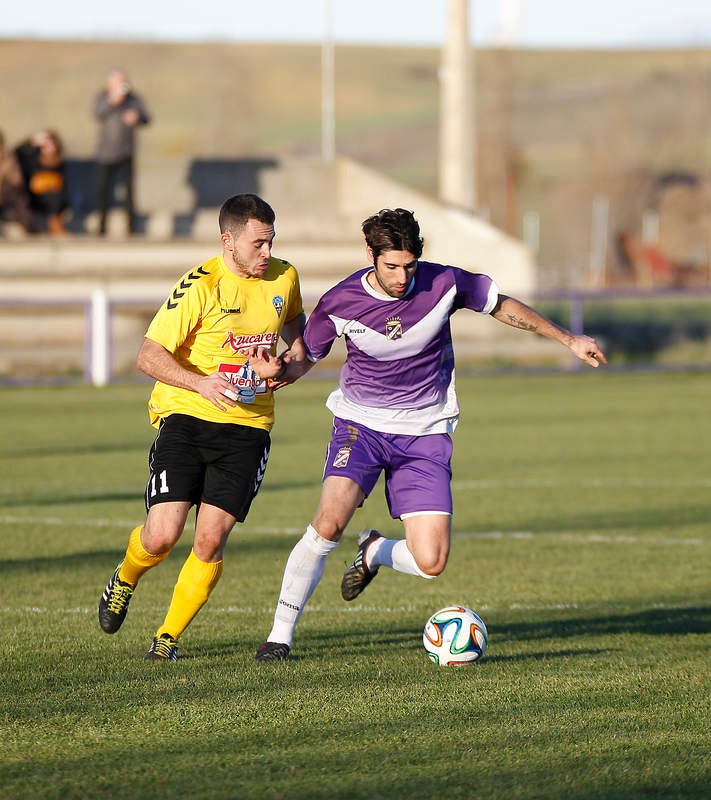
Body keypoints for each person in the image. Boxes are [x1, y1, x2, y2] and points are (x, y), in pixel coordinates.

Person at [250, 207, 607, 662]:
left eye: (409, 265)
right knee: (329, 521)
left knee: (430, 562)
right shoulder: (340, 302)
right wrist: (276, 370)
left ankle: (375, 551)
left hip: (425, 433)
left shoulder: (445, 283)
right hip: (361, 426)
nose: (401, 277)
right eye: (391, 266)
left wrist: (567, 339)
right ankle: (279, 637)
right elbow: (303, 359)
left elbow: (501, 305)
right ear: (370, 256)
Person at [98, 193, 306, 661]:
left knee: (211, 539)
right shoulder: (201, 285)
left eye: (270, 242)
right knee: (162, 535)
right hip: (187, 418)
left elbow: (298, 333)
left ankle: (167, 638)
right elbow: (148, 357)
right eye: (257, 244)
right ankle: (125, 577)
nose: (266, 253)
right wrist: (202, 384)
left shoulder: (284, 276)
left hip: (248, 429)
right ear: (227, 241)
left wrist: (288, 368)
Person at [93, 68, 150, 235]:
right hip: (105, 153)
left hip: (126, 152)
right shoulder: (103, 97)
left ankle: (131, 228)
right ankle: (101, 228)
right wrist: (113, 100)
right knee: (104, 191)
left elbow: (147, 118)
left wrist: (136, 117)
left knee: (129, 192)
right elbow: (97, 113)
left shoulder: (133, 99)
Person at [14, 130, 69, 235]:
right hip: (35, 196)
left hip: (55, 198)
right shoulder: (33, 158)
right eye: (45, 144)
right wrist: (31, 140)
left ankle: (55, 225)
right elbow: (18, 152)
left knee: (56, 196)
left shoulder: (60, 162)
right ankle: (53, 227)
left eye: (51, 143)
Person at [0, 130, 35, 233]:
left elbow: (18, 182)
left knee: (19, 199)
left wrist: (7, 169)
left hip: (10, 205)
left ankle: (25, 229)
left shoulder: (10, 159)